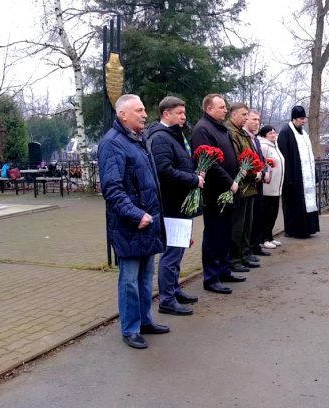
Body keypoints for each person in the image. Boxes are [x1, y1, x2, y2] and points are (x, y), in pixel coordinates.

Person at [98, 94, 169, 349]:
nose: (144, 114)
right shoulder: (113, 143)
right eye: (139, 110)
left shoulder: (138, 140)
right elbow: (112, 188)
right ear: (122, 114)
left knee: (145, 276)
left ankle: (144, 320)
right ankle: (130, 328)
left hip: (148, 221)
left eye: (143, 109)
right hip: (131, 224)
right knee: (129, 279)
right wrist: (136, 214)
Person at [147, 96, 202, 317]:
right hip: (171, 205)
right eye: (179, 113)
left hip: (181, 203)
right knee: (171, 254)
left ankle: (174, 288)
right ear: (166, 113)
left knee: (179, 250)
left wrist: (196, 173)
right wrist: (192, 179)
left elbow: (180, 163)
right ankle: (167, 300)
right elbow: (164, 171)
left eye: (184, 112)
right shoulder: (161, 138)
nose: (184, 117)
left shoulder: (174, 136)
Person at [190, 94, 244, 295]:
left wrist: (238, 175)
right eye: (221, 107)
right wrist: (230, 182)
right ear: (209, 109)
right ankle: (211, 277)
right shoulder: (203, 129)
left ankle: (224, 269)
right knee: (214, 235)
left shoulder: (221, 128)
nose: (225, 110)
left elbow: (232, 156)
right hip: (216, 192)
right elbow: (209, 161)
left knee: (225, 234)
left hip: (229, 191)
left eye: (225, 107)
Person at [226, 102, 260, 273]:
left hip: (249, 185)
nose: (246, 118)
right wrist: (253, 171)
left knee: (247, 224)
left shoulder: (242, 134)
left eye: (248, 115)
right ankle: (235, 258)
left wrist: (257, 169)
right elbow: (238, 159)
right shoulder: (232, 133)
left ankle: (245, 254)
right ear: (233, 115)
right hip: (241, 185)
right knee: (238, 226)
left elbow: (251, 156)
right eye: (244, 115)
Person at [277, 105, 320, 238]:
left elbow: (309, 155)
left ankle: (308, 228)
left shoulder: (303, 132)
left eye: (304, 118)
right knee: (294, 204)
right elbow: (284, 156)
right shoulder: (285, 132)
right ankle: (295, 230)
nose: (304, 121)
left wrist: (315, 174)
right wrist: (288, 178)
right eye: (301, 119)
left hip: (305, 175)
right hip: (294, 177)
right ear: (294, 119)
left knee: (307, 202)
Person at [243, 110, 271, 258]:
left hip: (258, 183)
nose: (256, 122)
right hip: (249, 183)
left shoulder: (255, 139)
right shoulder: (244, 137)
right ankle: (248, 249)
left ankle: (255, 245)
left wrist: (265, 170)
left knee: (258, 215)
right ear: (246, 120)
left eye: (258, 120)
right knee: (250, 220)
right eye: (253, 119)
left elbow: (261, 159)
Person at [257, 125, 285, 249]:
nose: (273, 135)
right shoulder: (264, 146)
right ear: (264, 136)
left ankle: (270, 236)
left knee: (273, 213)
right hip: (268, 188)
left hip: (277, 187)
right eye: (270, 133)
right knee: (267, 213)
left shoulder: (275, 146)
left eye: (274, 132)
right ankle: (263, 238)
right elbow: (262, 163)